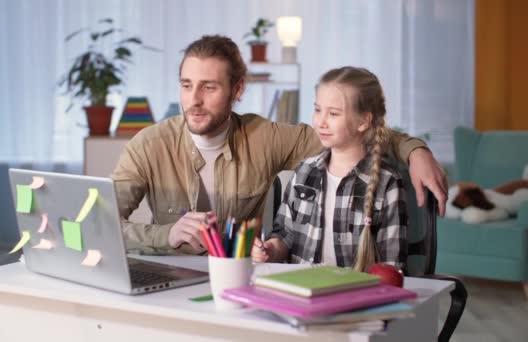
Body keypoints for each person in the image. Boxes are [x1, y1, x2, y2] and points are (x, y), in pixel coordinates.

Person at [111, 35, 447, 255]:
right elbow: (101, 222)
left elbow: (352, 133)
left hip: (243, 283)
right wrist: (164, 235)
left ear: (237, 89)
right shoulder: (148, 145)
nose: (193, 100)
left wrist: (414, 150)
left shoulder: (265, 136)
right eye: (187, 85)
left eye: (208, 87)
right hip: (172, 282)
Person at [252, 67, 407, 271]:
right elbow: (285, 235)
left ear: (363, 121)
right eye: (317, 110)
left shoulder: (388, 184)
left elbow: (392, 267)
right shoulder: (304, 171)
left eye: (333, 113)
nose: (320, 122)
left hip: (355, 297)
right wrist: (270, 250)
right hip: (301, 291)